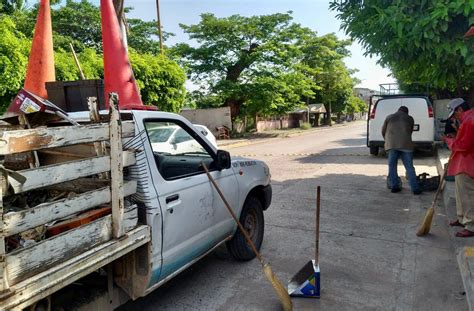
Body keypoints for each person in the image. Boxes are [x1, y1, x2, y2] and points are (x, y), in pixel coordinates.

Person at [443, 98, 474, 237]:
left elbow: (462, 145)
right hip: (463, 164)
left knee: (467, 195)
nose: (455, 118)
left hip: (468, 164)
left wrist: (449, 140)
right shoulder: (467, 120)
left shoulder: (469, 121)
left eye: (455, 114)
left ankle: (471, 224)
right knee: (461, 194)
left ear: (460, 109)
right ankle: (462, 219)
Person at [382, 106, 422, 194]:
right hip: (406, 145)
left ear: (398, 110)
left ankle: (395, 187)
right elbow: (410, 131)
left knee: (392, 166)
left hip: (392, 144)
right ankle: (415, 189)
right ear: (406, 112)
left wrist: (387, 140)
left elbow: (383, 131)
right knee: (409, 167)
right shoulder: (410, 118)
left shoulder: (389, 117)